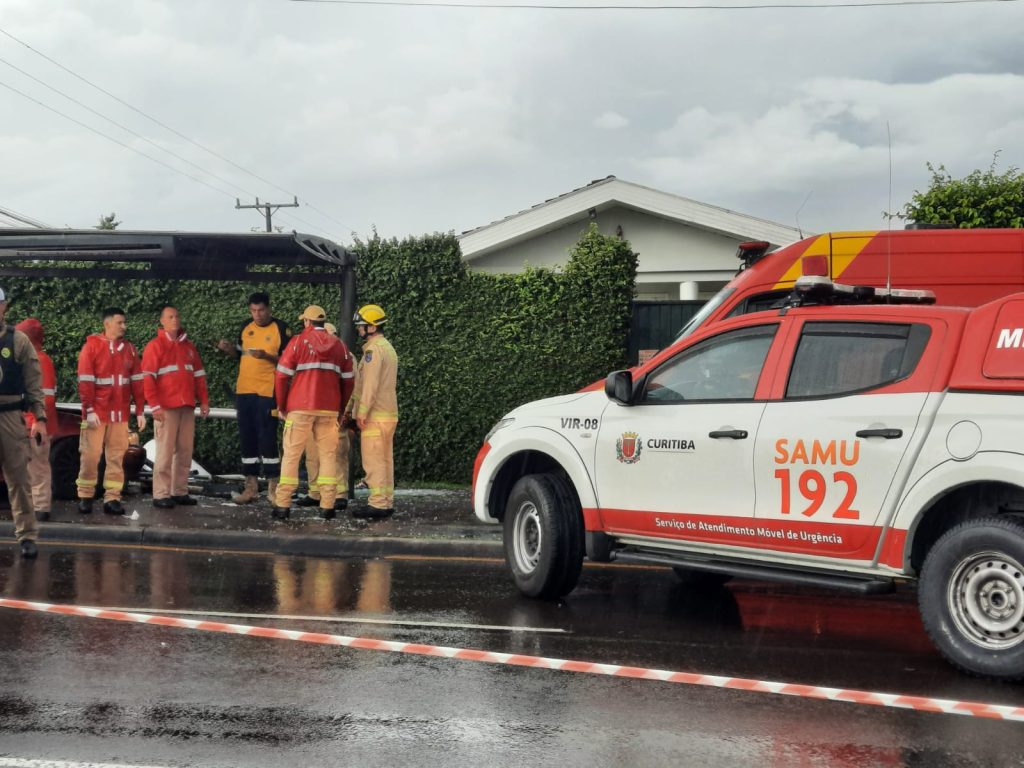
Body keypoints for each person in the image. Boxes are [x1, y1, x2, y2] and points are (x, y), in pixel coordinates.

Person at [273, 306, 354, 520]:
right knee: (328, 456)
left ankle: (283, 504)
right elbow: (349, 381)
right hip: (329, 409)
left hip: (300, 407)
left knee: (291, 455)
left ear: (307, 322)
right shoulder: (339, 346)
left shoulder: (298, 342)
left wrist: (281, 406)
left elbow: (281, 377)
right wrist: (340, 408)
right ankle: (327, 505)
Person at [216, 292, 289, 505]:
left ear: (269, 309)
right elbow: (241, 355)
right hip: (244, 391)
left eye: (261, 310)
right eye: (253, 311)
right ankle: (251, 487)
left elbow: (288, 362)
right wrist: (229, 350)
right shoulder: (246, 327)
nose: (257, 315)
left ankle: (273, 488)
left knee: (267, 438)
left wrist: (266, 356)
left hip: (267, 392)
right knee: (247, 438)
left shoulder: (281, 329)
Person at [76, 307, 146, 516]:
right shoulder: (91, 347)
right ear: (107, 324)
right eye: (120, 322)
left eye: (124, 322)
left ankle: (112, 498)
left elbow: (137, 381)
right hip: (96, 412)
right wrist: (89, 409)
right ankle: (85, 496)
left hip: (119, 413)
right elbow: (85, 380)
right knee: (89, 456)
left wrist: (140, 410)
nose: (124, 326)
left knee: (116, 457)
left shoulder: (129, 349)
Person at [142, 306, 210, 508]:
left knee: (184, 451)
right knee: (164, 452)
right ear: (162, 321)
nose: (175, 319)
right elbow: (148, 379)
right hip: (166, 408)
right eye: (170, 317)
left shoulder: (188, 347)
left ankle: (179, 491)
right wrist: (154, 406)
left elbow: (199, 376)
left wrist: (204, 400)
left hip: (186, 406)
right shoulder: (155, 346)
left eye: (177, 316)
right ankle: (161, 494)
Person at [0, 289, 47, 558]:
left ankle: (27, 535)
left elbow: (33, 382)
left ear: (4, 307)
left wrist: (39, 417)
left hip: (8, 414)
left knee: (18, 478)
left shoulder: (17, 340)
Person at [295, 322, 358, 512]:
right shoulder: (312, 353)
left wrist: (346, 413)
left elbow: (352, 387)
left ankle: (340, 495)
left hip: (333, 414)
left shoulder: (345, 355)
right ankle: (315, 493)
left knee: (336, 455)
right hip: (314, 411)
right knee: (313, 456)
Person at [350, 304, 399, 519]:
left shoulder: (373, 350)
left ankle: (378, 504)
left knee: (373, 461)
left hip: (375, 415)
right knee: (385, 461)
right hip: (388, 414)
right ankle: (385, 502)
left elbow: (369, 385)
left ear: (371, 327)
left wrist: (361, 413)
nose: (359, 329)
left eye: (361, 325)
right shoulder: (387, 347)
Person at [16, 318, 58, 522]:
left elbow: (44, 398)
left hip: (36, 425)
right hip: (31, 423)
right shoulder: (33, 359)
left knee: (37, 465)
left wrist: (34, 420)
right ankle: (36, 505)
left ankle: (40, 507)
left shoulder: (39, 360)